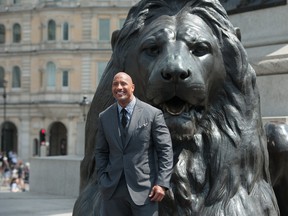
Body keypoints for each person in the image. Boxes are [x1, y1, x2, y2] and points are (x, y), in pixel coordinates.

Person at [95, 72, 173, 216]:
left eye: (123, 83)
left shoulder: (152, 114)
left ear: (132, 87)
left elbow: (165, 150)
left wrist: (162, 183)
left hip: (145, 191)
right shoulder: (104, 117)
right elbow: (101, 151)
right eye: (115, 84)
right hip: (112, 190)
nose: (119, 87)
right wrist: (102, 178)